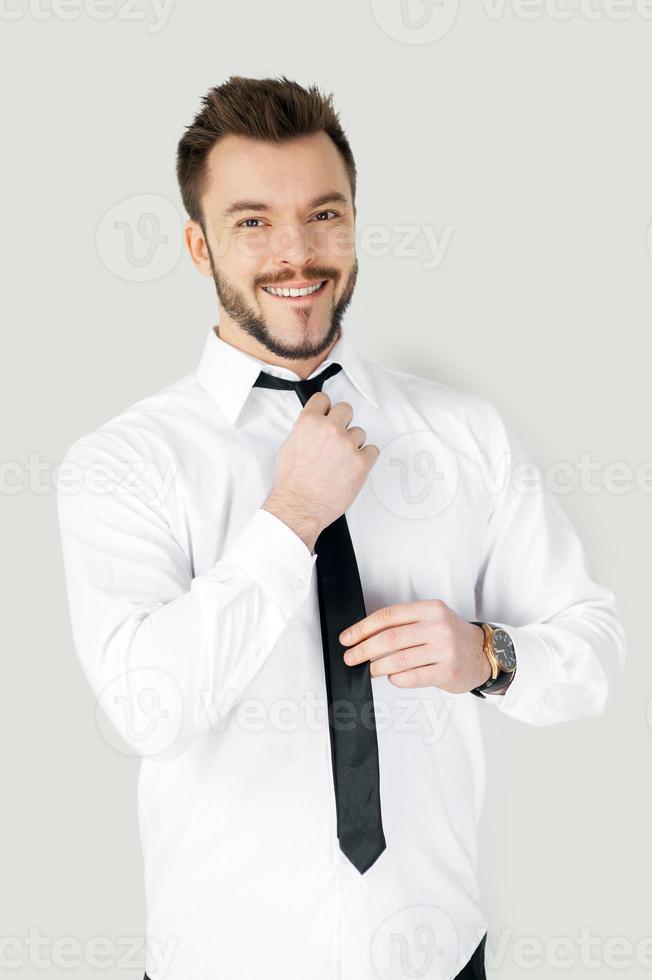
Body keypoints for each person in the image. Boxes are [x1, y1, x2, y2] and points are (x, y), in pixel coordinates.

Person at [56, 75, 626, 980]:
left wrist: (487, 656)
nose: (297, 253)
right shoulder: (123, 462)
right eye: (253, 222)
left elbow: (594, 653)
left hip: (438, 955)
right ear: (200, 247)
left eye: (325, 215)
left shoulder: (465, 434)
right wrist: (291, 518)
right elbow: (143, 708)